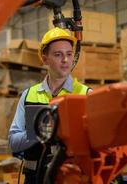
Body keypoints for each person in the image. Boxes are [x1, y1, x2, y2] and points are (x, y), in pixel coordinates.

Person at [8, 27, 91, 184]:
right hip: (34, 179)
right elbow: (13, 141)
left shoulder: (86, 94)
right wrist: (41, 132)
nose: (65, 60)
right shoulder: (28, 95)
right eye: (58, 55)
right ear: (45, 59)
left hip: (72, 178)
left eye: (69, 54)